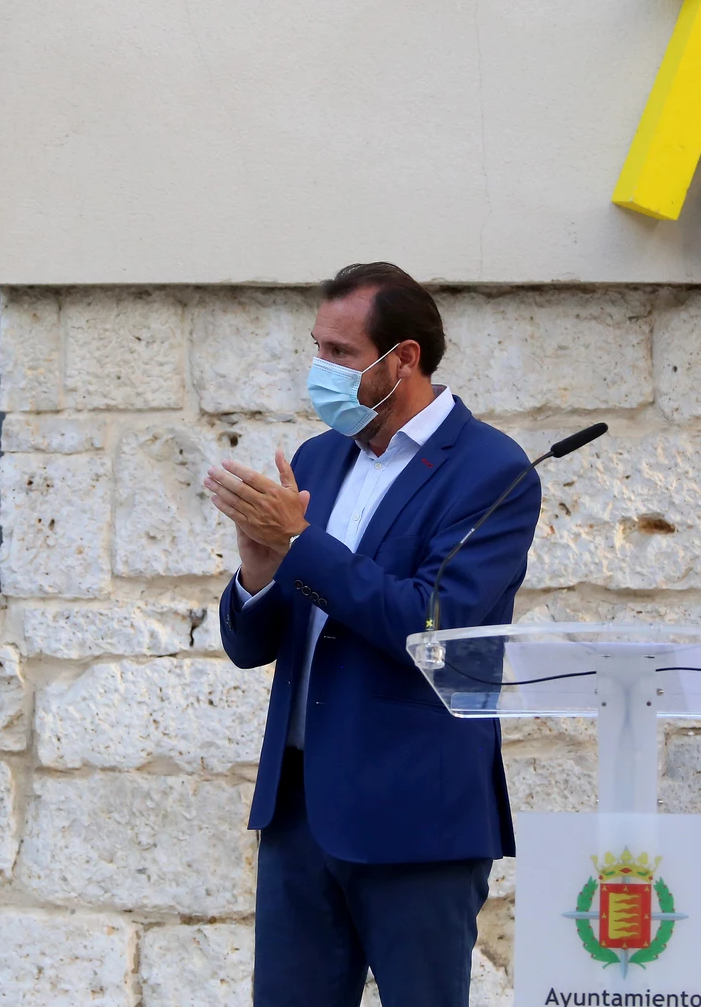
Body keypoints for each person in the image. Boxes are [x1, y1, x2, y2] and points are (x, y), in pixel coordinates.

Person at [205, 262, 539, 1007]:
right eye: (316, 347)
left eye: (341, 353)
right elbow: (253, 645)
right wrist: (259, 569)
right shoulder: (321, 456)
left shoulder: (492, 469)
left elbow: (432, 625)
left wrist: (301, 545)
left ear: (404, 359)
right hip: (298, 813)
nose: (319, 369)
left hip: (414, 815)